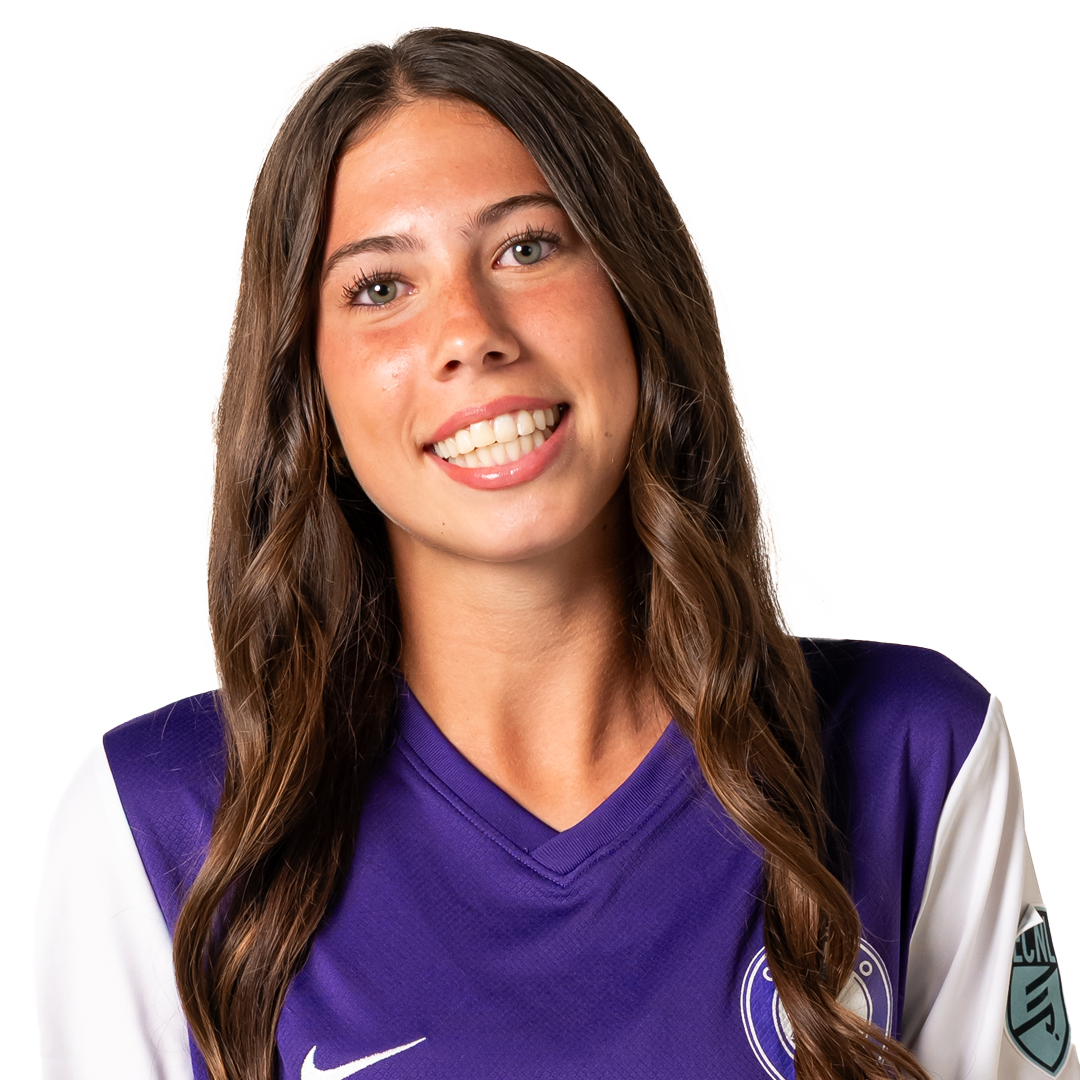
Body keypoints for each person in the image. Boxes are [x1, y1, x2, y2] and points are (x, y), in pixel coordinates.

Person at [35, 26, 1077, 1080]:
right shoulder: (157, 824)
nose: (470, 330)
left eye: (527, 248)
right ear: (311, 391)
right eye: (380, 288)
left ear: (636, 296)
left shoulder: (916, 754)